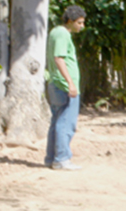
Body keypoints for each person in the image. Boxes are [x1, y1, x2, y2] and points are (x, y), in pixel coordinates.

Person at [45, 5, 86, 170]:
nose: (82, 26)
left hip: (56, 84)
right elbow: (59, 58)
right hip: (63, 85)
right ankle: (61, 159)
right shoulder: (62, 34)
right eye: (79, 22)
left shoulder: (56, 32)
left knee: (57, 121)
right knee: (66, 123)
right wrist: (70, 83)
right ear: (70, 21)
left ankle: (51, 158)